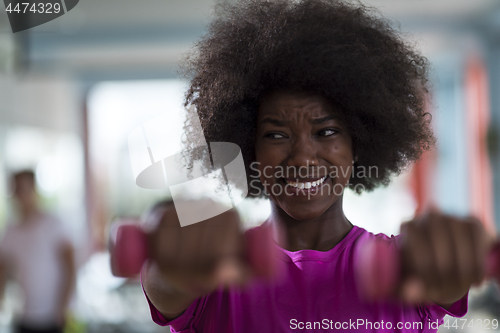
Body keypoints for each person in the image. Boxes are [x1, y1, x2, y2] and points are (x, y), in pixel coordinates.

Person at [141, 0, 494, 332]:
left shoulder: (405, 267)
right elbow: (164, 283)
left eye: (326, 131)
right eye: (276, 135)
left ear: (358, 144)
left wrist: (455, 256)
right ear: (250, 151)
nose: (303, 157)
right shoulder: (213, 270)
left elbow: (447, 282)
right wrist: (172, 256)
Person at [0, 170, 76, 333]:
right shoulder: (11, 231)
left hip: (53, 316)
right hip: (24, 316)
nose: (19, 194)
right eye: (16, 189)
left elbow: (70, 267)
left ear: (34, 189)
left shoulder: (54, 224)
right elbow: (2, 270)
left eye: (23, 188)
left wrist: (64, 307)